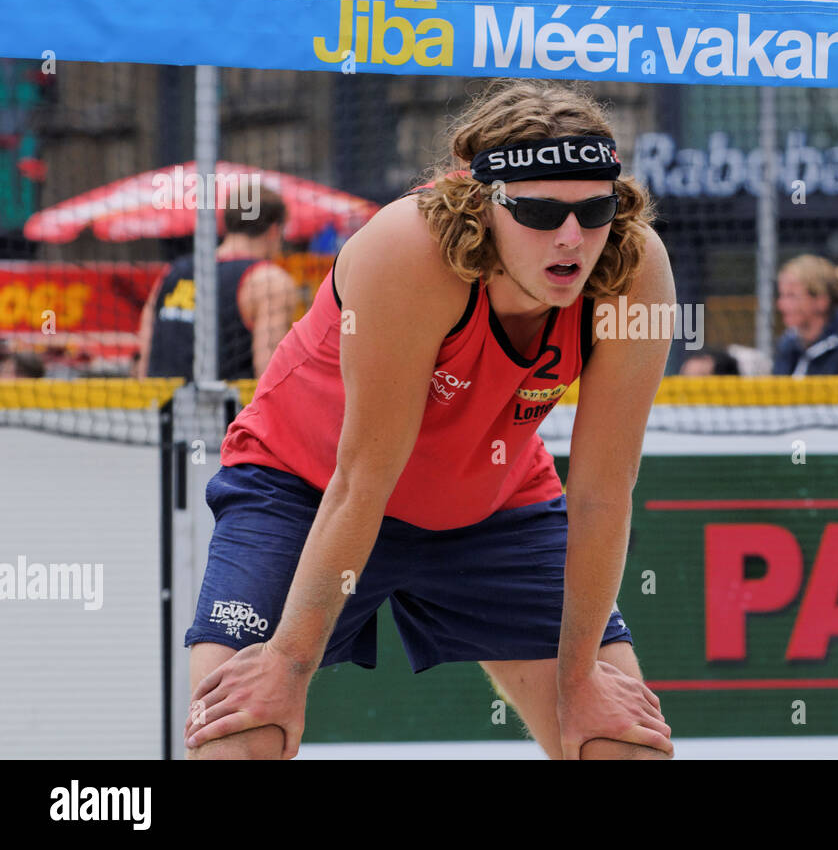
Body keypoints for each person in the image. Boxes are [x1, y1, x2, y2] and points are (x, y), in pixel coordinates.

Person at [182, 79, 675, 761]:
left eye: (594, 208)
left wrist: (581, 673)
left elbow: (601, 492)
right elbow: (361, 482)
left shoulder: (633, 266)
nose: (571, 238)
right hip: (307, 487)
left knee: (617, 740)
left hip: (491, 500)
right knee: (237, 732)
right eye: (539, 213)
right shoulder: (408, 250)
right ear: (483, 207)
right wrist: (289, 663)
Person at [136, 188, 297, 381]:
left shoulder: (172, 272)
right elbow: (269, 374)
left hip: (163, 407)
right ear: (274, 230)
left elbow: (145, 355)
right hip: (229, 408)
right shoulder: (269, 281)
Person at [773, 254, 838, 376]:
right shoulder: (788, 344)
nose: (781, 304)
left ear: (821, 300)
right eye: (782, 295)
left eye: (791, 295)